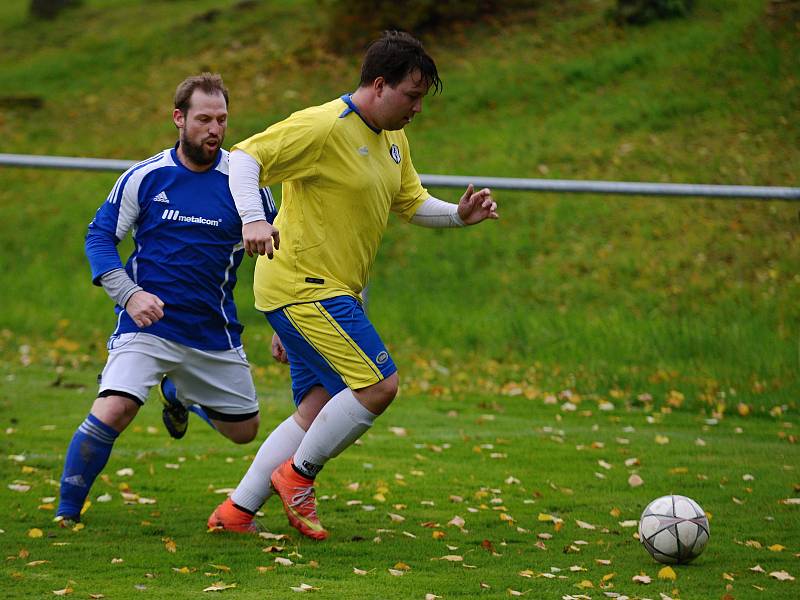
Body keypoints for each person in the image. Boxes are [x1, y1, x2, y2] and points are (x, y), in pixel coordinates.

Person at [207, 31, 498, 540]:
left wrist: (458, 216)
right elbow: (246, 158)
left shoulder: (393, 140)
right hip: (303, 286)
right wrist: (253, 219)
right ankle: (297, 476)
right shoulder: (323, 125)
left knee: (319, 403)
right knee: (378, 385)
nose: (417, 109)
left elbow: (411, 202)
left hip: (326, 292)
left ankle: (238, 510)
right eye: (412, 96)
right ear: (379, 85)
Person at [56, 73, 277, 526]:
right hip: (146, 327)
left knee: (245, 431)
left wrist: (281, 322)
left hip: (211, 331)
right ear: (179, 118)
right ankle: (65, 515)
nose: (214, 129)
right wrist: (130, 295)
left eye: (221, 120)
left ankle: (179, 394)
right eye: (203, 119)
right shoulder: (146, 175)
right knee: (115, 407)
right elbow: (100, 237)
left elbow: (280, 253)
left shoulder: (244, 184)